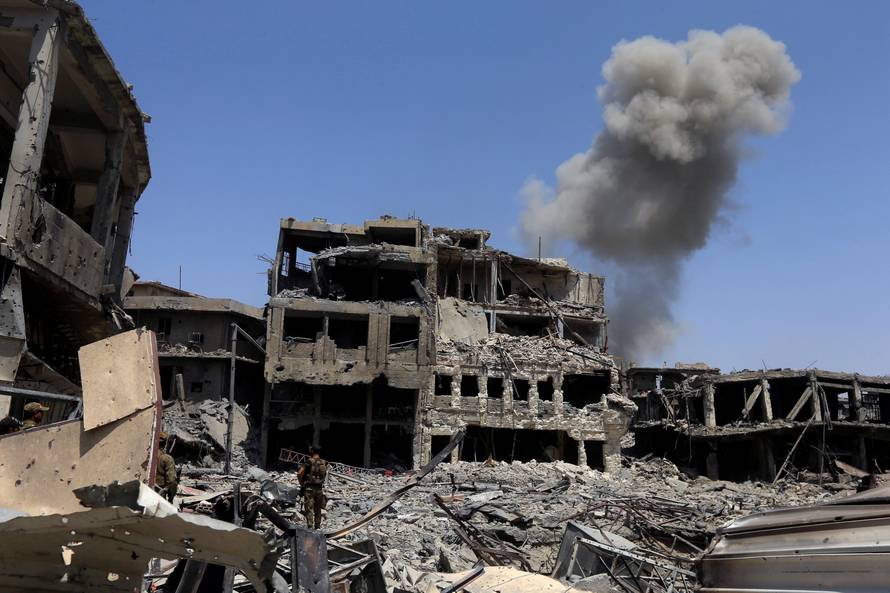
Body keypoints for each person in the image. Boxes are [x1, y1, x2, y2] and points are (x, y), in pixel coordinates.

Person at [297, 446, 327, 529]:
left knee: (309, 508)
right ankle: (317, 526)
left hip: (309, 488)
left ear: (312, 451)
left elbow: (300, 473)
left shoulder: (309, 461)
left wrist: (302, 484)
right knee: (318, 508)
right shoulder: (324, 462)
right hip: (319, 488)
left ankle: (310, 526)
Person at [155, 432, 178, 503]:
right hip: (159, 494)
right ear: (165, 444)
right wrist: (170, 500)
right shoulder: (167, 458)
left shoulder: (146, 455)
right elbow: (172, 481)